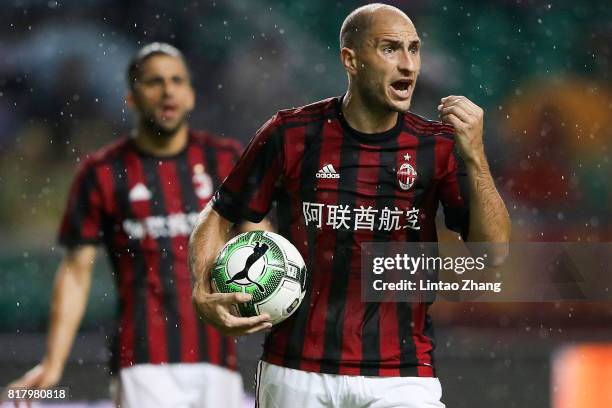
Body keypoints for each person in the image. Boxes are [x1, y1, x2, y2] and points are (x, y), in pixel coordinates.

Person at [190, 3, 510, 408]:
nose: (409, 65)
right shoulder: (291, 133)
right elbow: (220, 215)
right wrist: (202, 291)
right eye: (391, 49)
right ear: (351, 59)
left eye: (414, 49)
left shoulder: (438, 147)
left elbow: (493, 254)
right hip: (296, 369)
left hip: (402, 374)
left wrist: (477, 157)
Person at [9, 42, 265, 408]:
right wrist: (53, 363)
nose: (167, 90)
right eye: (154, 81)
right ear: (131, 97)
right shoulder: (101, 172)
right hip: (141, 360)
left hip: (218, 358)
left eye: (177, 80)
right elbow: (76, 273)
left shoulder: (224, 160)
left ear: (191, 95)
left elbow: (259, 238)